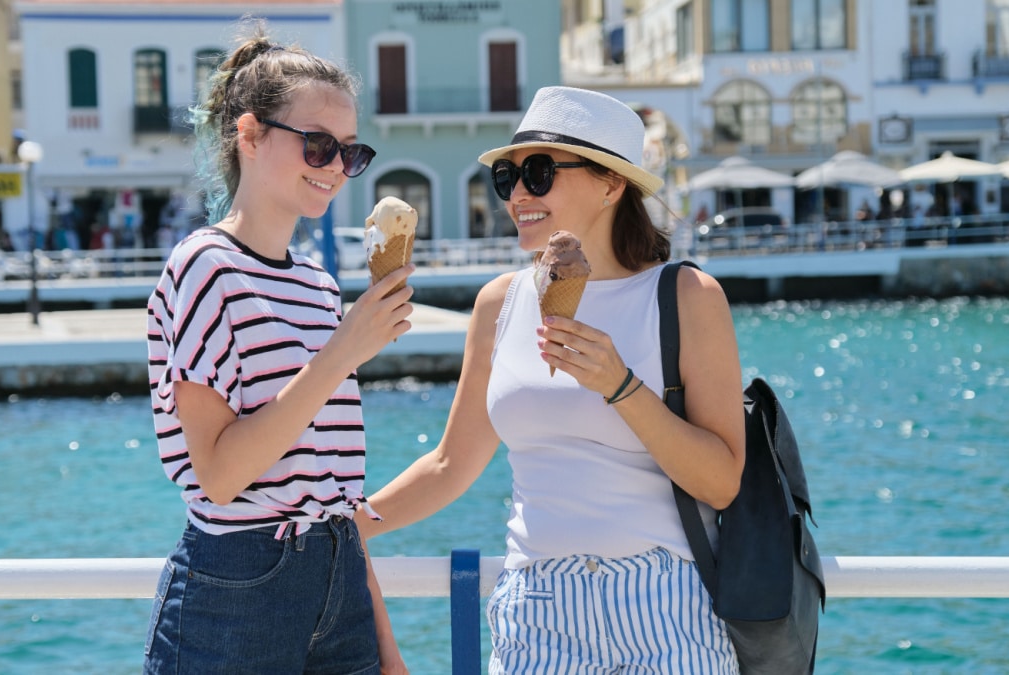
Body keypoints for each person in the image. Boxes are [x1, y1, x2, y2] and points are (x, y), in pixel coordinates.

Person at [360, 87, 746, 673]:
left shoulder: (686, 296)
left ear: (611, 184)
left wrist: (620, 386)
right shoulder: (499, 303)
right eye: (507, 177)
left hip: (665, 603)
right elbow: (449, 464)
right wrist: (350, 524)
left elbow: (722, 483)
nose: (518, 194)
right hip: (537, 610)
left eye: (539, 173)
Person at [142, 25, 412, 675]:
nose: (336, 167)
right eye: (318, 145)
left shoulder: (319, 286)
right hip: (241, 587)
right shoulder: (205, 267)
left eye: (350, 152)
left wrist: (388, 648)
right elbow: (220, 475)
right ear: (250, 134)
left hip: (339, 577)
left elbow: (335, 490)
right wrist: (341, 353)